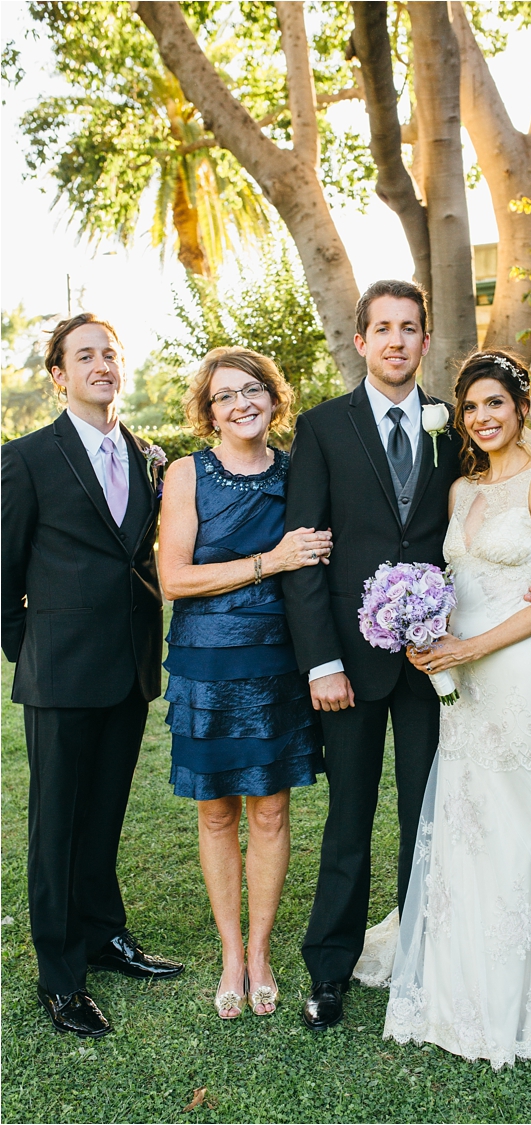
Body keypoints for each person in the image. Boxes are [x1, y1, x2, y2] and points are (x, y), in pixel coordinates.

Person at [378, 351, 531, 1069]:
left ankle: (520, 994)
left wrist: (471, 645)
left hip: (516, 669)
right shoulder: (458, 492)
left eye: (495, 404)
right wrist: (422, 631)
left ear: (519, 408)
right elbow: (454, 580)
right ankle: (456, 986)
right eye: (472, 407)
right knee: (468, 820)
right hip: (462, 679)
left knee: (521, 822)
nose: (483, 418)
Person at [282, 280, 462, 1031]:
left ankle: (426, 953)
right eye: (382, 327)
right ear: (359, 341)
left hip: (431, 662)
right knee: (349, 816)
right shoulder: (323, 428)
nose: (395, 340)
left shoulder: (453, 432)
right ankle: (330, 967)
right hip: (349, 669)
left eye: (409, 328)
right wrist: (322, 661)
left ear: (425, 342)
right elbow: (305, 554)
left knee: (431, 814)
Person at [1, 312, 184, 1038]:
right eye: (86, 355)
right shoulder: (27, 457)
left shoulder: (150, 456)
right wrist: (31, 650)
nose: (102, 364)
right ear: (59, 375)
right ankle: (61, 974)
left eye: (111, 352)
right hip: (59, 671)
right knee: (56, 826)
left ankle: (107, 934)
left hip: (130, 667)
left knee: (105, 812)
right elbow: (3, 572)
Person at [157, 347, 329, 1019]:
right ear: (209, 409)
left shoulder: (297, 473)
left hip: (276, 665)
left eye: (253, 389)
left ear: (273, 396)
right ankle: (230, 951)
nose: (242, 403)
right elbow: (175, 578)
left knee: (271, 809)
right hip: (205, 665)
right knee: (215, 809)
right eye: (226, 395)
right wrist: (270, 560)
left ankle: (260, 950)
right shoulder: (186, 474)